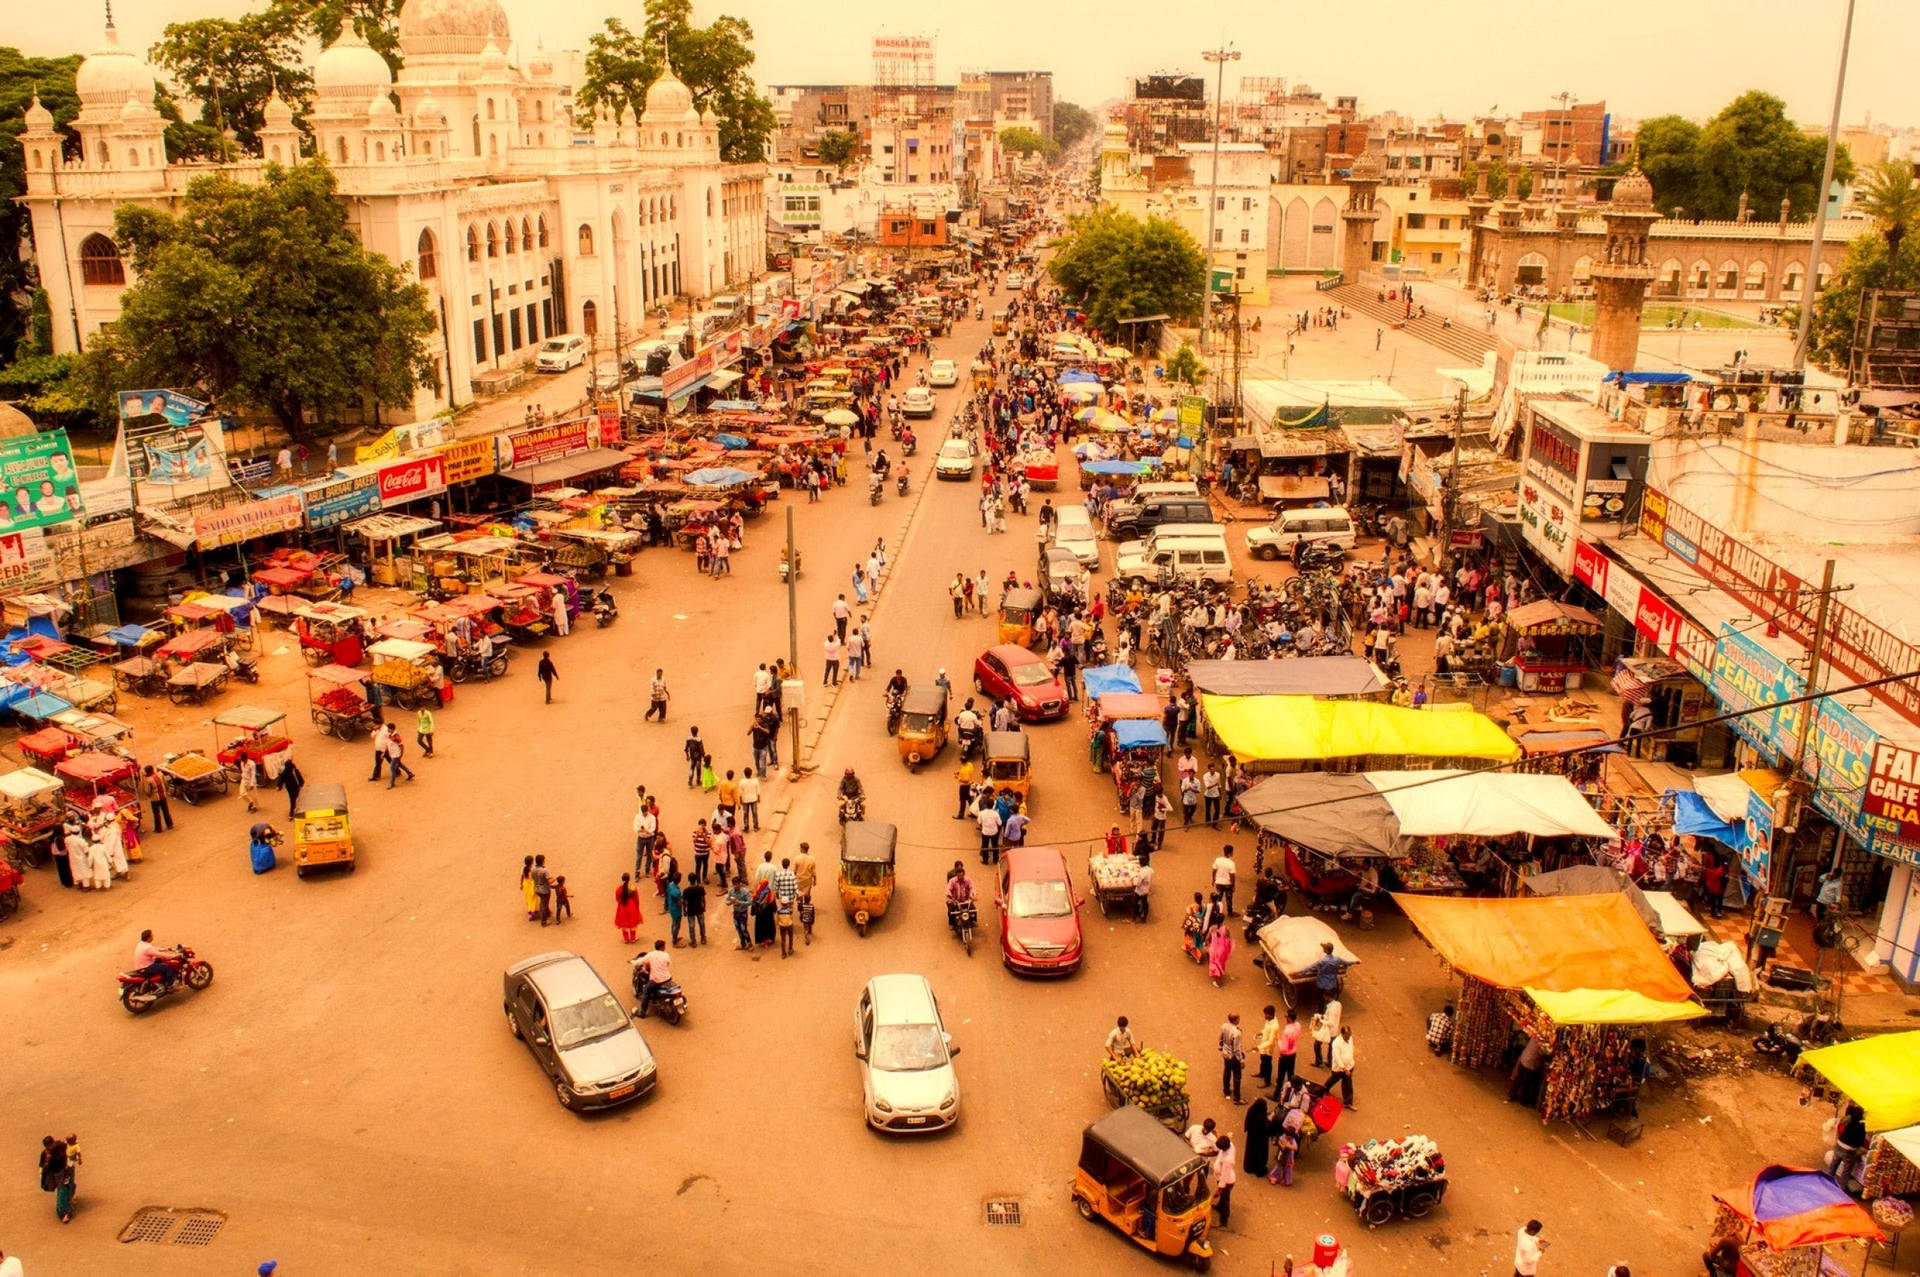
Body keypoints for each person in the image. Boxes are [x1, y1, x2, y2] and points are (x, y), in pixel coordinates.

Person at [630, 940, 674, 1018]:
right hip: (667, 978)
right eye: (664, 946)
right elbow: (668, 964)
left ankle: (643, 1013)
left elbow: (640, 961)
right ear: (662, 947)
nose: (665, 947)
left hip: (656, 980)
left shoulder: (651, 955)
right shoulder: (666, 955)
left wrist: (632, 962)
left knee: (646, 993)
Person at [1509, 1032, 1550, 1107]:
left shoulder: (1535, 1036)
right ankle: (1523, 1100)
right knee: (1526, 1082)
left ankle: (1511, 1095)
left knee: (1519, 1078)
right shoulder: (1543, 1042)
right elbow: (1542, 1053)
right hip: (1531, 1062)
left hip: (1524, 1058)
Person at [1242, 1096, 1272, 1179]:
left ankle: (1250, 1166)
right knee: (1260, 1154)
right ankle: (1259, 1169)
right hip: (1261, 1140)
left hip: (1252, 1137)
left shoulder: (1252, 1111)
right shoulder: (1261, 1117)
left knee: (1251, 1151)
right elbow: (1266, 1128)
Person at [1327, 1024, 1356, 1109]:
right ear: (1342, 1034)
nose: (1349, 1037)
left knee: (1348, 1085)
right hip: (1339, 1068)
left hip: (1349, 1066)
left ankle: (1348, 1102)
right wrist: (1344, 1068)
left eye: (1350, 1035)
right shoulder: (1336, 1043)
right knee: (1333, 1079)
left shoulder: (1350, 1038)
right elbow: (1337, 1057)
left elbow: (1351, 1049)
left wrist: (1350, 1062)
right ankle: (1325, 1088)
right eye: (1347, 1036)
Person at [1219, 1012, 1245, 1104]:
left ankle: (1226, 1090)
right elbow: (1237, 1049)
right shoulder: (1237, 1033)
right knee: (1237, 1076)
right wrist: (1241, 1060)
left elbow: (1220, 1038)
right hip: (1233, 1056)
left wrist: (1221, 1046)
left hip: (1226, 1054)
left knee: (1227, 1072)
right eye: (1238, 1018)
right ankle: (1237, 1098)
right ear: (1235, 1020)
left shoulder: (1224, 1026)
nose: (1239, 1020)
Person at [1212, 1134, 1237, 1228]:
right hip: (1222, 1179)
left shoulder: (1228, 1160)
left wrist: (1219, 1189)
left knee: (1225, 1199)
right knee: (1223, 1198)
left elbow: (1224, 1176)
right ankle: (1219, 1207)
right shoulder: (1230, 1144)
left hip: (1227, 1182)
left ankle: (1224, 1220)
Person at [141, 766, 173, 833]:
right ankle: (170, 825)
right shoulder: (160, 775)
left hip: (155, 799)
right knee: (165, 811)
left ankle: (158, 829)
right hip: (163, 796)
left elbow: (147, 791)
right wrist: (166, 791)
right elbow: (165, 783)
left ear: (147, 771)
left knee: (156, 813)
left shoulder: (148, 780)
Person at [614, 874, 644, 944]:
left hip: (622, 907)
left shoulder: (619, 889)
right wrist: (637, 906)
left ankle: (626, 939)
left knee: (624, 923)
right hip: (632, 906)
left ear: (622, 879)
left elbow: (617, 899)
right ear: (629, 879)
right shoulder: (632, 887)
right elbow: (636, 899)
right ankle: (633, 938)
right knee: (632, 922)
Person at [1207, 917, 1234, 988]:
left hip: (1213, 949)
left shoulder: (1212, 928)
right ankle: (1220, 975)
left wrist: (1207, 943)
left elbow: (1207, 938)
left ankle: (1218, 982)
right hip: (1222, 950)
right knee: (1220, 963)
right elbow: (1229, 938)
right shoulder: (1225, 929)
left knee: (1214, 964)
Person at [1211, 845, 1238, 916]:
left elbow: (1214, 870)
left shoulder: (1218, 860)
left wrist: (1213, 880)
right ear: (1230, 853)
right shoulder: (1231, 863)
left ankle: (1216, 911)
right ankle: (1230, 912)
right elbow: (1232, 876)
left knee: (1218, 898)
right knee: (1229, 899)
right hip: (1227, 884)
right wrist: (1233, 885)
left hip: (1218, 882)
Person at [1132, 857, 1153, 921]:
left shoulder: (1142, 873)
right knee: (1145, 903)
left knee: (1135, 903)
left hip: (1140, 890)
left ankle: (1134, 917)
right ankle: (1144, 917)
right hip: (1146, 889)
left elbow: (1138, 884)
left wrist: (1134, 880)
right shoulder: (1150, 870)